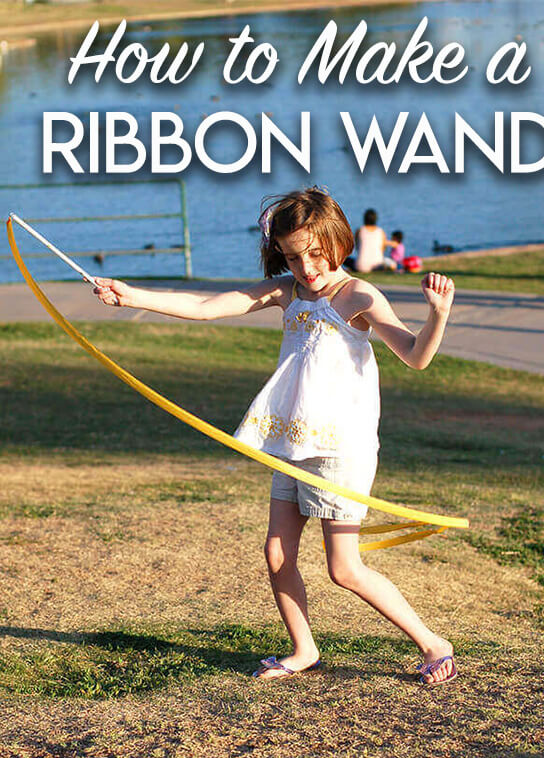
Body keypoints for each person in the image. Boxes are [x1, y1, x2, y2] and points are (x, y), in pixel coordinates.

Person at [93, 187, 457, 687]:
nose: (305, 267)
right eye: (291, 256)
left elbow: (416, 356)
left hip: (338, 450)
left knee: (344, 568)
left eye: (314, 253)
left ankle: (433, 642)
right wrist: (131, 296)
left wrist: (437, 314)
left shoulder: (357, 296)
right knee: (277, 552)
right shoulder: (286, 292)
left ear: (338, 240)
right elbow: (208, 305)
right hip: (293, 444)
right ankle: (304, 648)